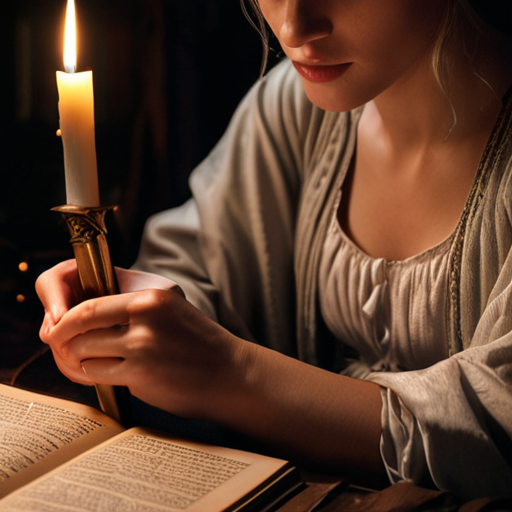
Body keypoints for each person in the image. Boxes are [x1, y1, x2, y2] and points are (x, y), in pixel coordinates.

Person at [36, 0, 512, 499]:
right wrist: (144, 315)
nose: (293, 27)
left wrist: (231, 374)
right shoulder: (296, 106)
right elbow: (197, 263)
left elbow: (495, 425)